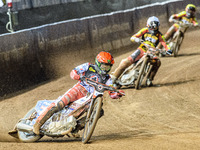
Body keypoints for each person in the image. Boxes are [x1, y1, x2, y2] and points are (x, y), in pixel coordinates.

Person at [33, 51, 125, 135]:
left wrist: (117, 94)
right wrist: (78, 76)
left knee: (99, 112)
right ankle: (38, 123)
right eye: (104, 66)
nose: (105, 69)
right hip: (79, 90)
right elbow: (73, 72)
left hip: (91, 98)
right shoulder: (88, 66)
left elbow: (111, 92)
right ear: (98, 63)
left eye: (108, 66)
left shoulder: (108, 78)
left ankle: (76, 128)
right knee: (60, 103)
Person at [111, 16, 172, 87]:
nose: (153, 29)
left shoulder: (160, 35)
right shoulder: (145, 30)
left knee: (157, 62)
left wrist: (169, 50)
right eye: (152, 27)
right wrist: (136, 39)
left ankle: (149, 79)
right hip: (142, 49)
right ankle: (113, 80)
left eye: (155, 27)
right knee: (125, 63)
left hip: (152, 52)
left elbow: (165, 43)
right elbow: (134, 36)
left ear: (158, 26)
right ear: (148, 25)